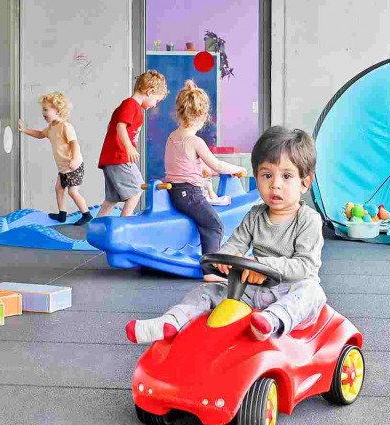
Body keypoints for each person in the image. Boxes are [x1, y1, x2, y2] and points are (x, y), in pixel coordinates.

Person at [126, 126, 326, 344]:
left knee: (312, 292)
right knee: (208, 290)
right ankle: (171, 321)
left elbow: (305, 265)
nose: (275, 185)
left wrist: (261, 265)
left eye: (286, 176)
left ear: (305, 182)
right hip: (253, 290)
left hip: (291, 291)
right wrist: (224, 261)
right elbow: (234, 245)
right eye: (267, 175)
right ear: (257, 178)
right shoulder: (254, 215)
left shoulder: (308, 220)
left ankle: (272, 321)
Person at [163, 81, 245, 266]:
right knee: (214, 225)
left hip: (174, 192)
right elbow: (217, 165)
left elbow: (178, 164)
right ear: (202, 114)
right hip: (190, 194)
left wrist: (199, 169)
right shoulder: (195, 141)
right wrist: (238, 169)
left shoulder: (172, 137)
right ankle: (211, 269)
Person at [97, 70, 168, 218]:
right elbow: (120, 126)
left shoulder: (133, 107)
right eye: (157, 100)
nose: (155, 105)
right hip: (119, 157)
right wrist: (128, 147)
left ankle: (95, 229)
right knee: (137, 189)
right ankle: (125, 223)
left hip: (112, 157)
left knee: (111, 200)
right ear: (150, 92)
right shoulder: (131, 105)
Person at [19, 92, 92, 225]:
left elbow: (74, 143)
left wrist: (75, 158)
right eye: (43, 109)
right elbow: (40, 134)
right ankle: (62, 214)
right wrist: (25, 130)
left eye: (46, 109)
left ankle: (86, 214)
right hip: (63, 168)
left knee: (72, 191)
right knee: (59, 188)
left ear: (57, 110)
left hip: (73, 166)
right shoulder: (51, 128)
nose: (43, 112)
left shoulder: (66, 126)